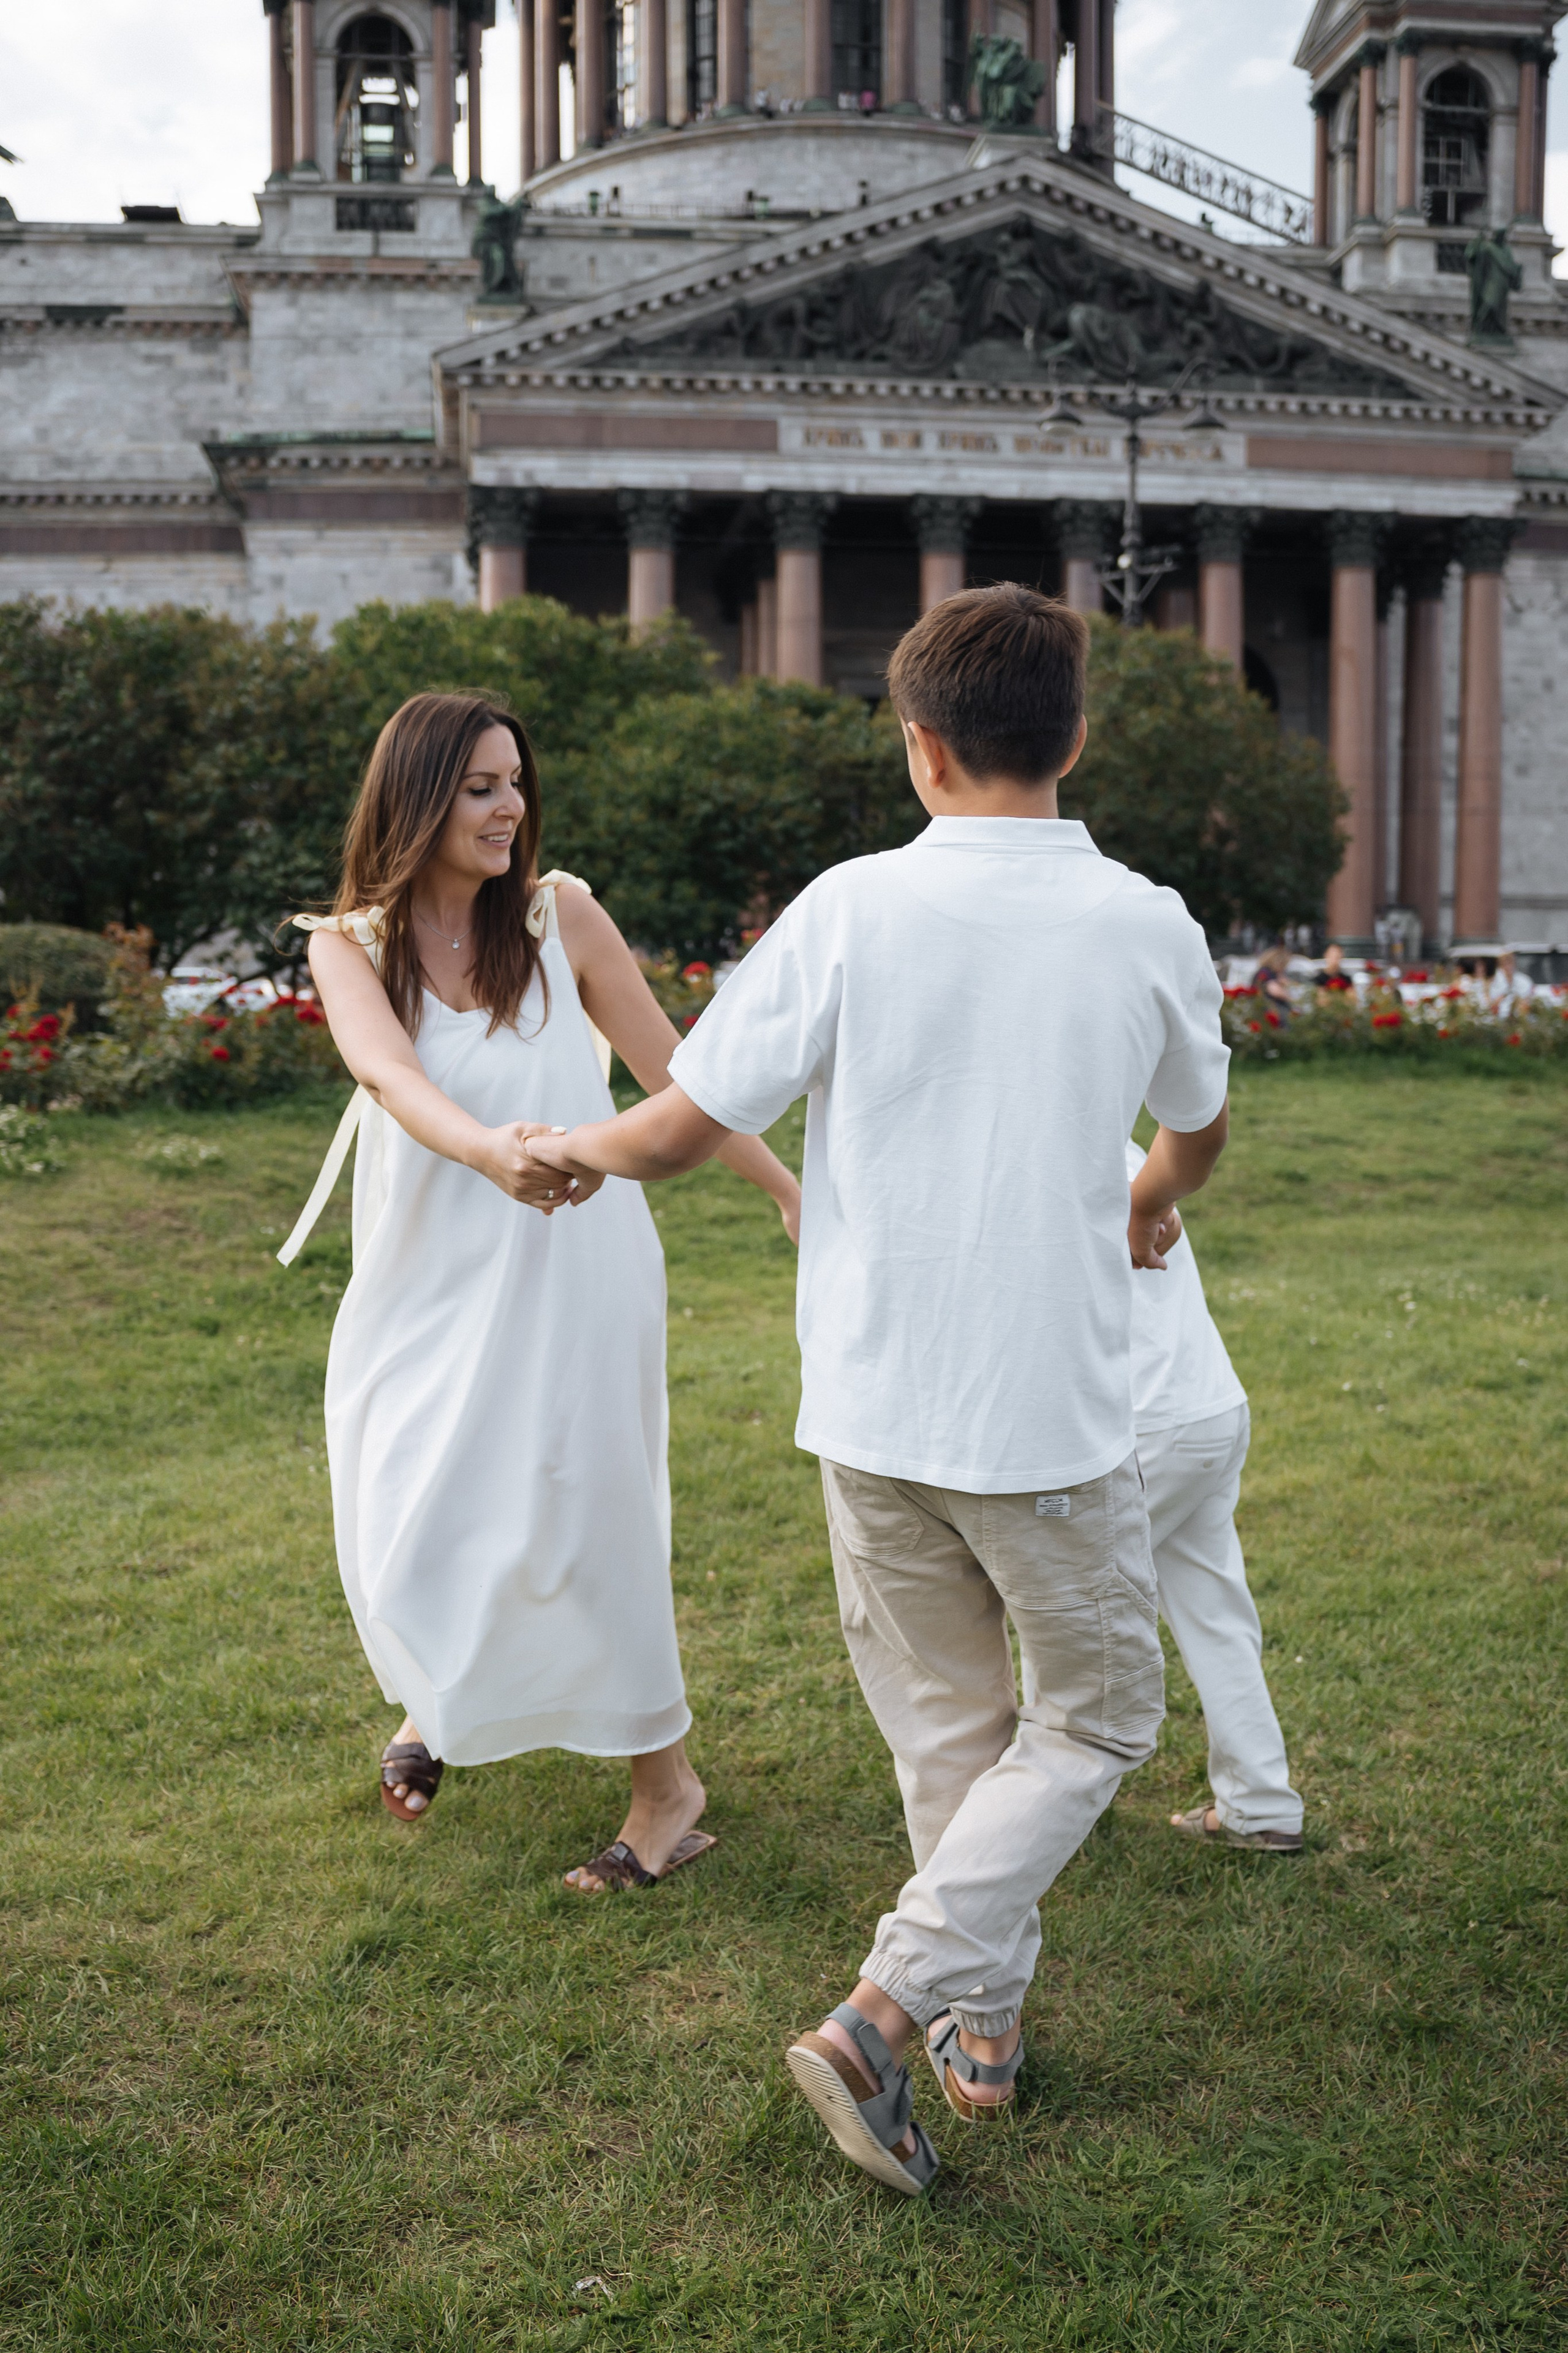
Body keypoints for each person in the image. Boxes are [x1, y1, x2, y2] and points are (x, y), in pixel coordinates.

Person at [527, 587, 1231, 2192]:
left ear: (920, 748)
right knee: (1101, 1714)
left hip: (869, 1406)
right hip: (1043, 1416)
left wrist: (564, 1151)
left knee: (948, 1730)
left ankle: (984, 2033)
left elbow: (683, 1120)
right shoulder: (1146, 917)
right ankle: (891, 2012)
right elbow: (1196, 1131)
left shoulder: (846, 907)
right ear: (1078, 735)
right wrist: (1150, 1191)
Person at [284, 692, 800, 1892]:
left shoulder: (558, 914)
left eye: (513, 780)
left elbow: (674, 1070)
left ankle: (666, 1791)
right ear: (413, 798)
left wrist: (783, 1186)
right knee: (404, 1499)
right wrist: (486, 1152)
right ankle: (441, 1700)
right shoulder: (348, 943)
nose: (508, 804)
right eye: (477, 786)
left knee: (584, 1503)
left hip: (577, 1266)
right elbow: (387, 1073)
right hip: (428, 1272)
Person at [1125, 1141, 1303, 1854]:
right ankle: (1260, 1805)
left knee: (1059, 1608)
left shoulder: (1052, 1153)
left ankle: (1048, 1800)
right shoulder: (1132, 1148)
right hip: (1207, 1408)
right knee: (1213, 1610)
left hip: (1140, 1426)